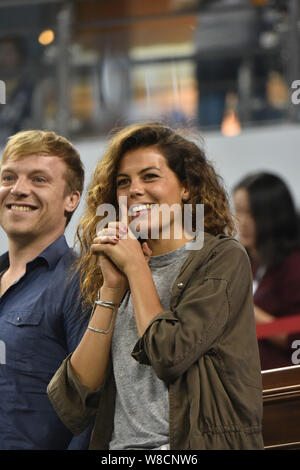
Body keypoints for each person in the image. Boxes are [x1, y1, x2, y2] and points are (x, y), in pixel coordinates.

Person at [47, 122, 264, 450]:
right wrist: (111, 290)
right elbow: (75, 401)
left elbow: (169, 354)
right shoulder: (120, 270)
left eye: (150, 176)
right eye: (123, 182)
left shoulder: (221, 258)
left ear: (186, 186)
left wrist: (136, 268)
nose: (134, 189)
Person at [0, 130, 92, 449]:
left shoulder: (81, 282)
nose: (18, 189)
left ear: (72, 199)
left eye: (39, 179)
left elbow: (92, 408)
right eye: (8, 177)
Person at [233, 172, 300, 370]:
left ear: (273, 215)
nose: (241, 222)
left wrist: (248, 311)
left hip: (285, 386)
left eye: (250, 213)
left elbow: (295, 335)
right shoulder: (247, 263)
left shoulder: (293, 266)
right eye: (237, 211)